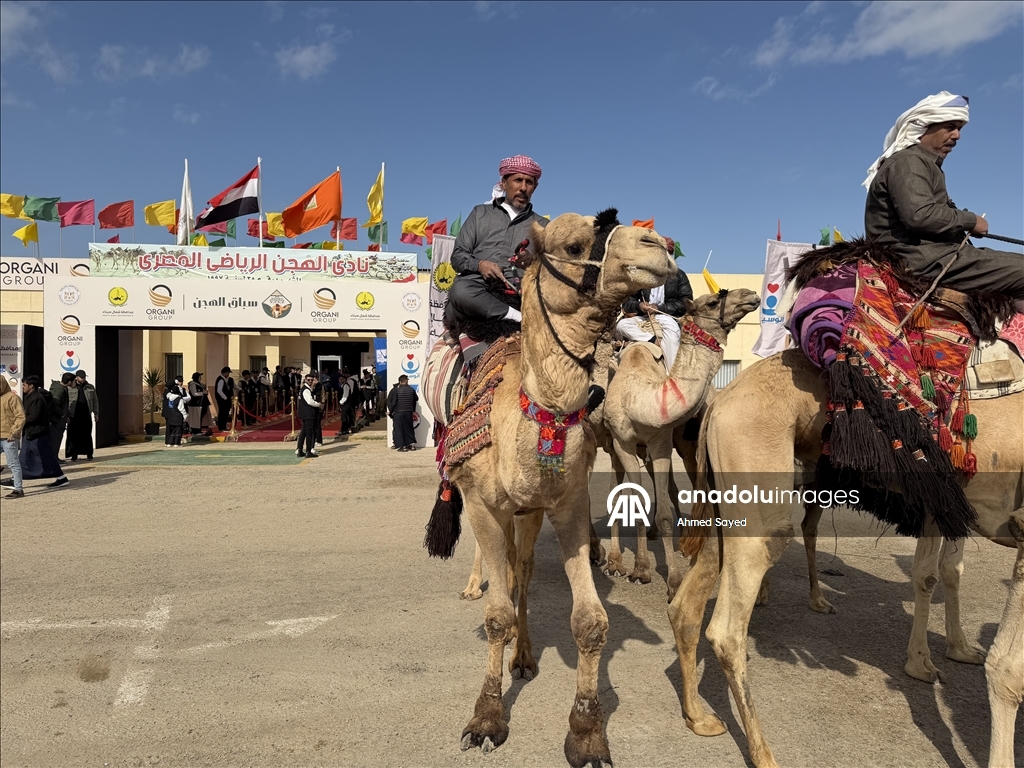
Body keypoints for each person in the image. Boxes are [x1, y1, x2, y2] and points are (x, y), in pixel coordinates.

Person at [864, 91, 1024, 309]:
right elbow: (919, 216)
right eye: (950, 127)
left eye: (959, 129)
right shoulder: (910, 161)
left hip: (933, 255)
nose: (957, 135)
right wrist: (970, 220)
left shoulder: (924, 163)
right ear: (924, 127)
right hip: (921, 260)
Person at [443, 155, 549, 331]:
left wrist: (533, 262)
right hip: (477, 288)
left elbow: (553, 269)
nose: (523, 187)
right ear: (504, 183)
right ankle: (517, 317)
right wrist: (480, 265)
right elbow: (458, 256)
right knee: (461, 290)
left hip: (519, 292)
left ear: (535, 187)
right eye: (517, 180)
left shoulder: (543, 227)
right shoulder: (480, 213)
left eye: (529, 182)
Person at [615, 255, 694, 371]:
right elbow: (627, 302)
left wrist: (659, 307)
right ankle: (652, 340)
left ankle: (671, 373)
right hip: (645, 317)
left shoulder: (679, 276)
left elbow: (686, 304)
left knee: (672, 335)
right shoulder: (641, 276)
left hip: (667, 317)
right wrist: (639, 305)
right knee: (621, 325)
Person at [19, 376, 69, 487]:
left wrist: (20, 421)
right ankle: (16, 478)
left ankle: (61, 477)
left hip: (37, 433)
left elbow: (34, 416)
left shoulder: (37, 398)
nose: (22, 387)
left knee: (45, 456)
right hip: (30, 433)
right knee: (24, 457)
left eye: (24, 385)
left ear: (31, 386)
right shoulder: (29, 397)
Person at [0, 375, 26, 498]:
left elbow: (20, 417)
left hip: (8, 437)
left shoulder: (12, 397)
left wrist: (14, 433)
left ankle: (18, 489)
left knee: (13, 464)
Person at [67, 369, 98, 461]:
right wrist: (67, 415)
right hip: (74, 415)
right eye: (81, 377)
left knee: (87, 434)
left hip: (86, 414)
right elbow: (66, 402)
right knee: (74, 435)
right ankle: (74, 455)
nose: (83, 379)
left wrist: (96, 413)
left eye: (84, 377)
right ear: (76, 377)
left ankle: (89, 454)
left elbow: (95, 401)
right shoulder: (70, 387)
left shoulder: (90, 387)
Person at [388, 375, 418, 451]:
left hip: (399, 412)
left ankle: (402, 446)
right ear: (407, 381)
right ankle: (412, 445)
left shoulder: (397, 390)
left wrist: (390, 412)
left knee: (399, 429)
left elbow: (394, 403)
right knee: (409, 428)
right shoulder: (411, 389)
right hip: (408, 411)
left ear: (400, 382)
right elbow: (416, 399)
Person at [296, 373, 323, 458]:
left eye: (312, 380)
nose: (310, 381)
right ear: (305, 380)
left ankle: (299, 450)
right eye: (309, 380)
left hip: (305, 413)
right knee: (309, 433)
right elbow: (310, 401)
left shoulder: (306, 388)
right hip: (308, 414)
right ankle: (308, 451)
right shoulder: (306, 390)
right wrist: (319, 405)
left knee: (303, 432)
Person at [49, 372, 74, 458]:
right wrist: (62, 414)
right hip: (56, 420)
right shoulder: (59, 390)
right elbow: (54, 403)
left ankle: (55, 457)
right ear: (70, 381)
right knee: (55, 439)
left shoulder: (62, 388)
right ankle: (53, 458)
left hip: (60, 419)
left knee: (57, 439)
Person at [163, 376, 190, 447]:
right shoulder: (168, 392)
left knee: (172, 428)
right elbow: (181, 408)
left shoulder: (169, 394)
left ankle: (170, 442)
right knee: (173, 428)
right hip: (171, 413)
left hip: (171, 413)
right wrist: (185, 416)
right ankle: (173, 442)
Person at [215, 366, 233, 432]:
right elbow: (219, 390)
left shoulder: (227, 380)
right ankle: (221, 427)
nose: (228, 374)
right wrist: (225, 398)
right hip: (222, 400)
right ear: (225, 373)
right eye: (228, 373)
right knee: (222, 413)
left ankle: (224, 425)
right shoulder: (221, 380)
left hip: (226, 400)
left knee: (226, 413)